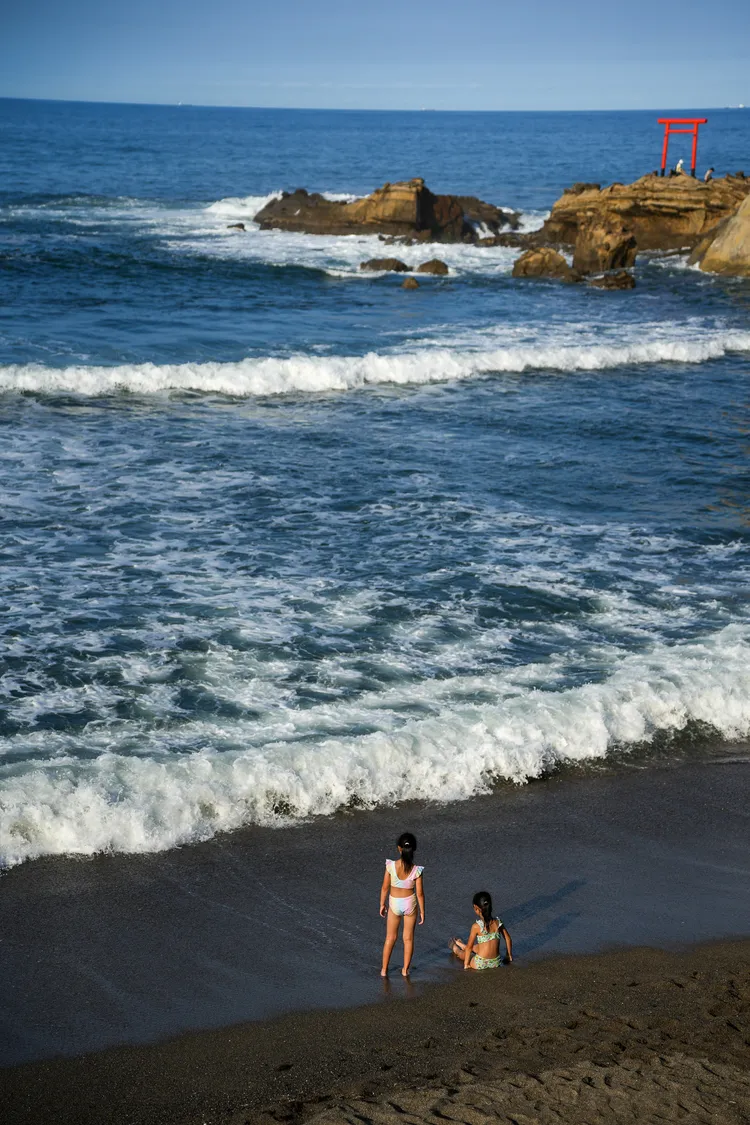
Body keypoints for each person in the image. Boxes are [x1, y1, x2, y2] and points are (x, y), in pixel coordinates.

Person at [380, 832, 424, 977]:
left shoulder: (391, 866)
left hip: (394, 903)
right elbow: (420, 894)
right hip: (410, 903)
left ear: (399, 848)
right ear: (414, 849)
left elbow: (385, 887)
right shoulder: (416, 870)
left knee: (390, 938)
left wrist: (382, 904)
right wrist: (422, 912)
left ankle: (384, 970)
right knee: (408, 939)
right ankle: (405, 970)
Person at [449, 890, 512, 970]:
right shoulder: (498, 922)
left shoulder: (476, 926)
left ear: (476, 908)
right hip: (496, 963)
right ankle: (462, 945)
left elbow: (469, 947)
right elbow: (508, 938)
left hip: (480, 964)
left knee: (466, 954)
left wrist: (466, 965)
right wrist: (509, 955)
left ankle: (456, 949)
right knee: (480, 946)